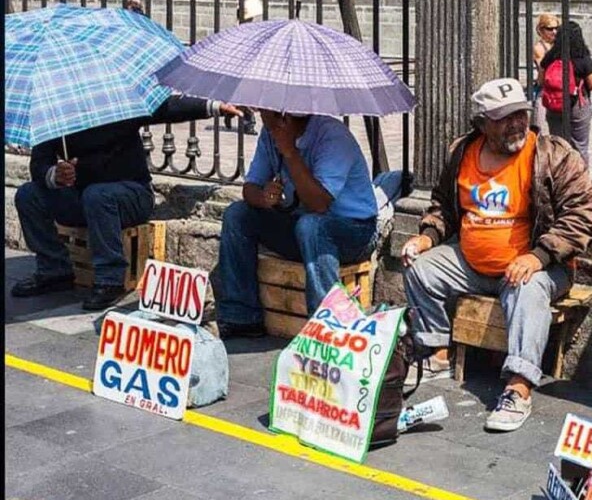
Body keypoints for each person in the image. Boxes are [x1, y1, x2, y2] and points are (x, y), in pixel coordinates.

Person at [401, 78, 592, 432]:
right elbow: (444, 206)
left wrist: (538, 256)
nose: (516, 123)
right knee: (420, 268)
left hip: (539, 264)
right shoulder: (462, 152)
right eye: (504, 118)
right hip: (472, 263)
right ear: (482, 123)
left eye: (520, 114)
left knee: (527, 287)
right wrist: (427, 238)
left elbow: (582, 216)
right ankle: (437, 353)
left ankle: (518, 386)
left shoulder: (553, 154)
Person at [12, 96, 241, 310]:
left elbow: (166, 108)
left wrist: (214, 106)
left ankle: (111, 279)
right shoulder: (55, 115)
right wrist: (55, 174)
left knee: (98, 195)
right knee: (28, 195)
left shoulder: (114, 104)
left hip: (130, 194)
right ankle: (54, 270)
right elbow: (38, 165)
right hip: (81, 197)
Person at [215, 112, 378, 339]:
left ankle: (325, 327)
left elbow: (319, 204)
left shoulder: (332, 137)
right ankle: (241, 316)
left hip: (353, 231)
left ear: (285, 117)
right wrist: (264, 197)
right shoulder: (270, 134)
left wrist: (290, 153)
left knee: (312, 226)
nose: (260, 113)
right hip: (303, 228)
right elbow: (250, 187)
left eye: (266, 110)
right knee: (238, 214)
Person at [539, 21, 592, 165]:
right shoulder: (583, 59)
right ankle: (580, 179)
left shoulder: (550, 57)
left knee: (557, 145)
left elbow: (541, 81)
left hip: (554, 105)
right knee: (579, 145)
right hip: (577, 104)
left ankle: (559, 180)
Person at [531, 13, 561, 130]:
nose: (554, 32)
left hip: (559, 88)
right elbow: (545, 70)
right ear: (541, 30)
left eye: (556, 28)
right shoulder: (539, 48)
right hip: (545, 89)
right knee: (538, 127)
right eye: (549, 29)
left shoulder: (559, 45)